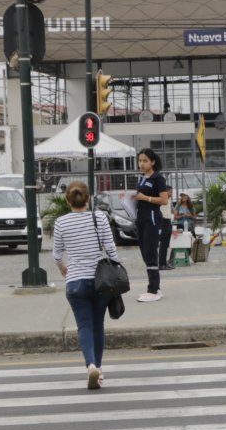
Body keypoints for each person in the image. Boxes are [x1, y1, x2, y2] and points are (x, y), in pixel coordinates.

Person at [52, 182, 119, 390]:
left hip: (75, 281)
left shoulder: (61, 222)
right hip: (100, 281)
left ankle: (90, 365)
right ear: (88, 198)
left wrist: (63, 267)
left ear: (67, 200)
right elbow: (111, 248)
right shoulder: (99, 217)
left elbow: (56, 254)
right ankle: (98, 368)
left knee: (84, 325)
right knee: (98, 325)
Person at [131, 148, 169, 302]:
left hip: (152, 217)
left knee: (150, 251)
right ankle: (155, 287)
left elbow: (164, 200)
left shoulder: (158, 178)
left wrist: (145, 198)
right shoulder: (141, 178)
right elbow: (140, 196)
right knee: (144, 252)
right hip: (140, 217)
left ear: (152, 162)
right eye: (140, 160)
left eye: (145, 160)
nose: (141, 163)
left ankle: (153, 289)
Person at [158, 183, 176, 271]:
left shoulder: (169, 200)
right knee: (163, 245)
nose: (171, 194)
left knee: (166, 245)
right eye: (169, 192)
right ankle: (161, 264)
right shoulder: (162, 200)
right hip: (163, 222)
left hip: (168, 221)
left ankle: (164, 263)